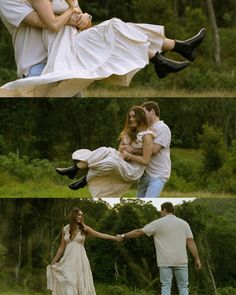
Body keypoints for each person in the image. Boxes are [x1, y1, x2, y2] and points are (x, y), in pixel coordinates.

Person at [0, 0, 206, 97]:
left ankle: (173, 49)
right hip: (37, 67)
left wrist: (83, 18)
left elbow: (82, 22)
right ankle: (166, 54)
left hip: (72, 54)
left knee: (115, 28)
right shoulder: (7, 1)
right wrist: (72, 11)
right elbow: (50, 22)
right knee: (114, 30)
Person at [55, 106, 155, 197]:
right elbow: (119, 149)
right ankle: (74, 169)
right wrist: (125, 147)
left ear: (141, 117)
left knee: (110, 162)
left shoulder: (147, 136)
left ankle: (84, 179)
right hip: (122, 160)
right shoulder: (129, 132)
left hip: (133, 169)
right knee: (105, 149)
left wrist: (129, 155)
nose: (131, 119)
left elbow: (145, 161)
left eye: (133, 117)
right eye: (130, 117)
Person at [117, 202, 202, 295]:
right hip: (181, 260)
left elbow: (139, 232)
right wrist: (197, 259)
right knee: (183, 286)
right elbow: (190, 242)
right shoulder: (184, 224)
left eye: (160, 211)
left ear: (164, 210)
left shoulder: (158, 223)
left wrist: (123, 235)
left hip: (164, 261)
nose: (160, 213)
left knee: (166, 286)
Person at [47, 207, 120, 294]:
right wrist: (53, 261)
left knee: (79, 282)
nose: (80, 217)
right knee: (69, 281)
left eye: (81, 215)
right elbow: (61, 247)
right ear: (73, 215)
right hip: (68, 260)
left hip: (80, 261)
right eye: (78, 214)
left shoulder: (84, 228)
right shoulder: (65, 229)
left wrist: (114, 238)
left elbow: (100, 234)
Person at [137, 100, 171, 198]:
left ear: (152, 111)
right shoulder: (146, 129)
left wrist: (133, 151)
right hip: (144, 174)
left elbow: (155, 150)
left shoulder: (163, 128)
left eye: (144, 113)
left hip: (158, 174)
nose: (142, 116)